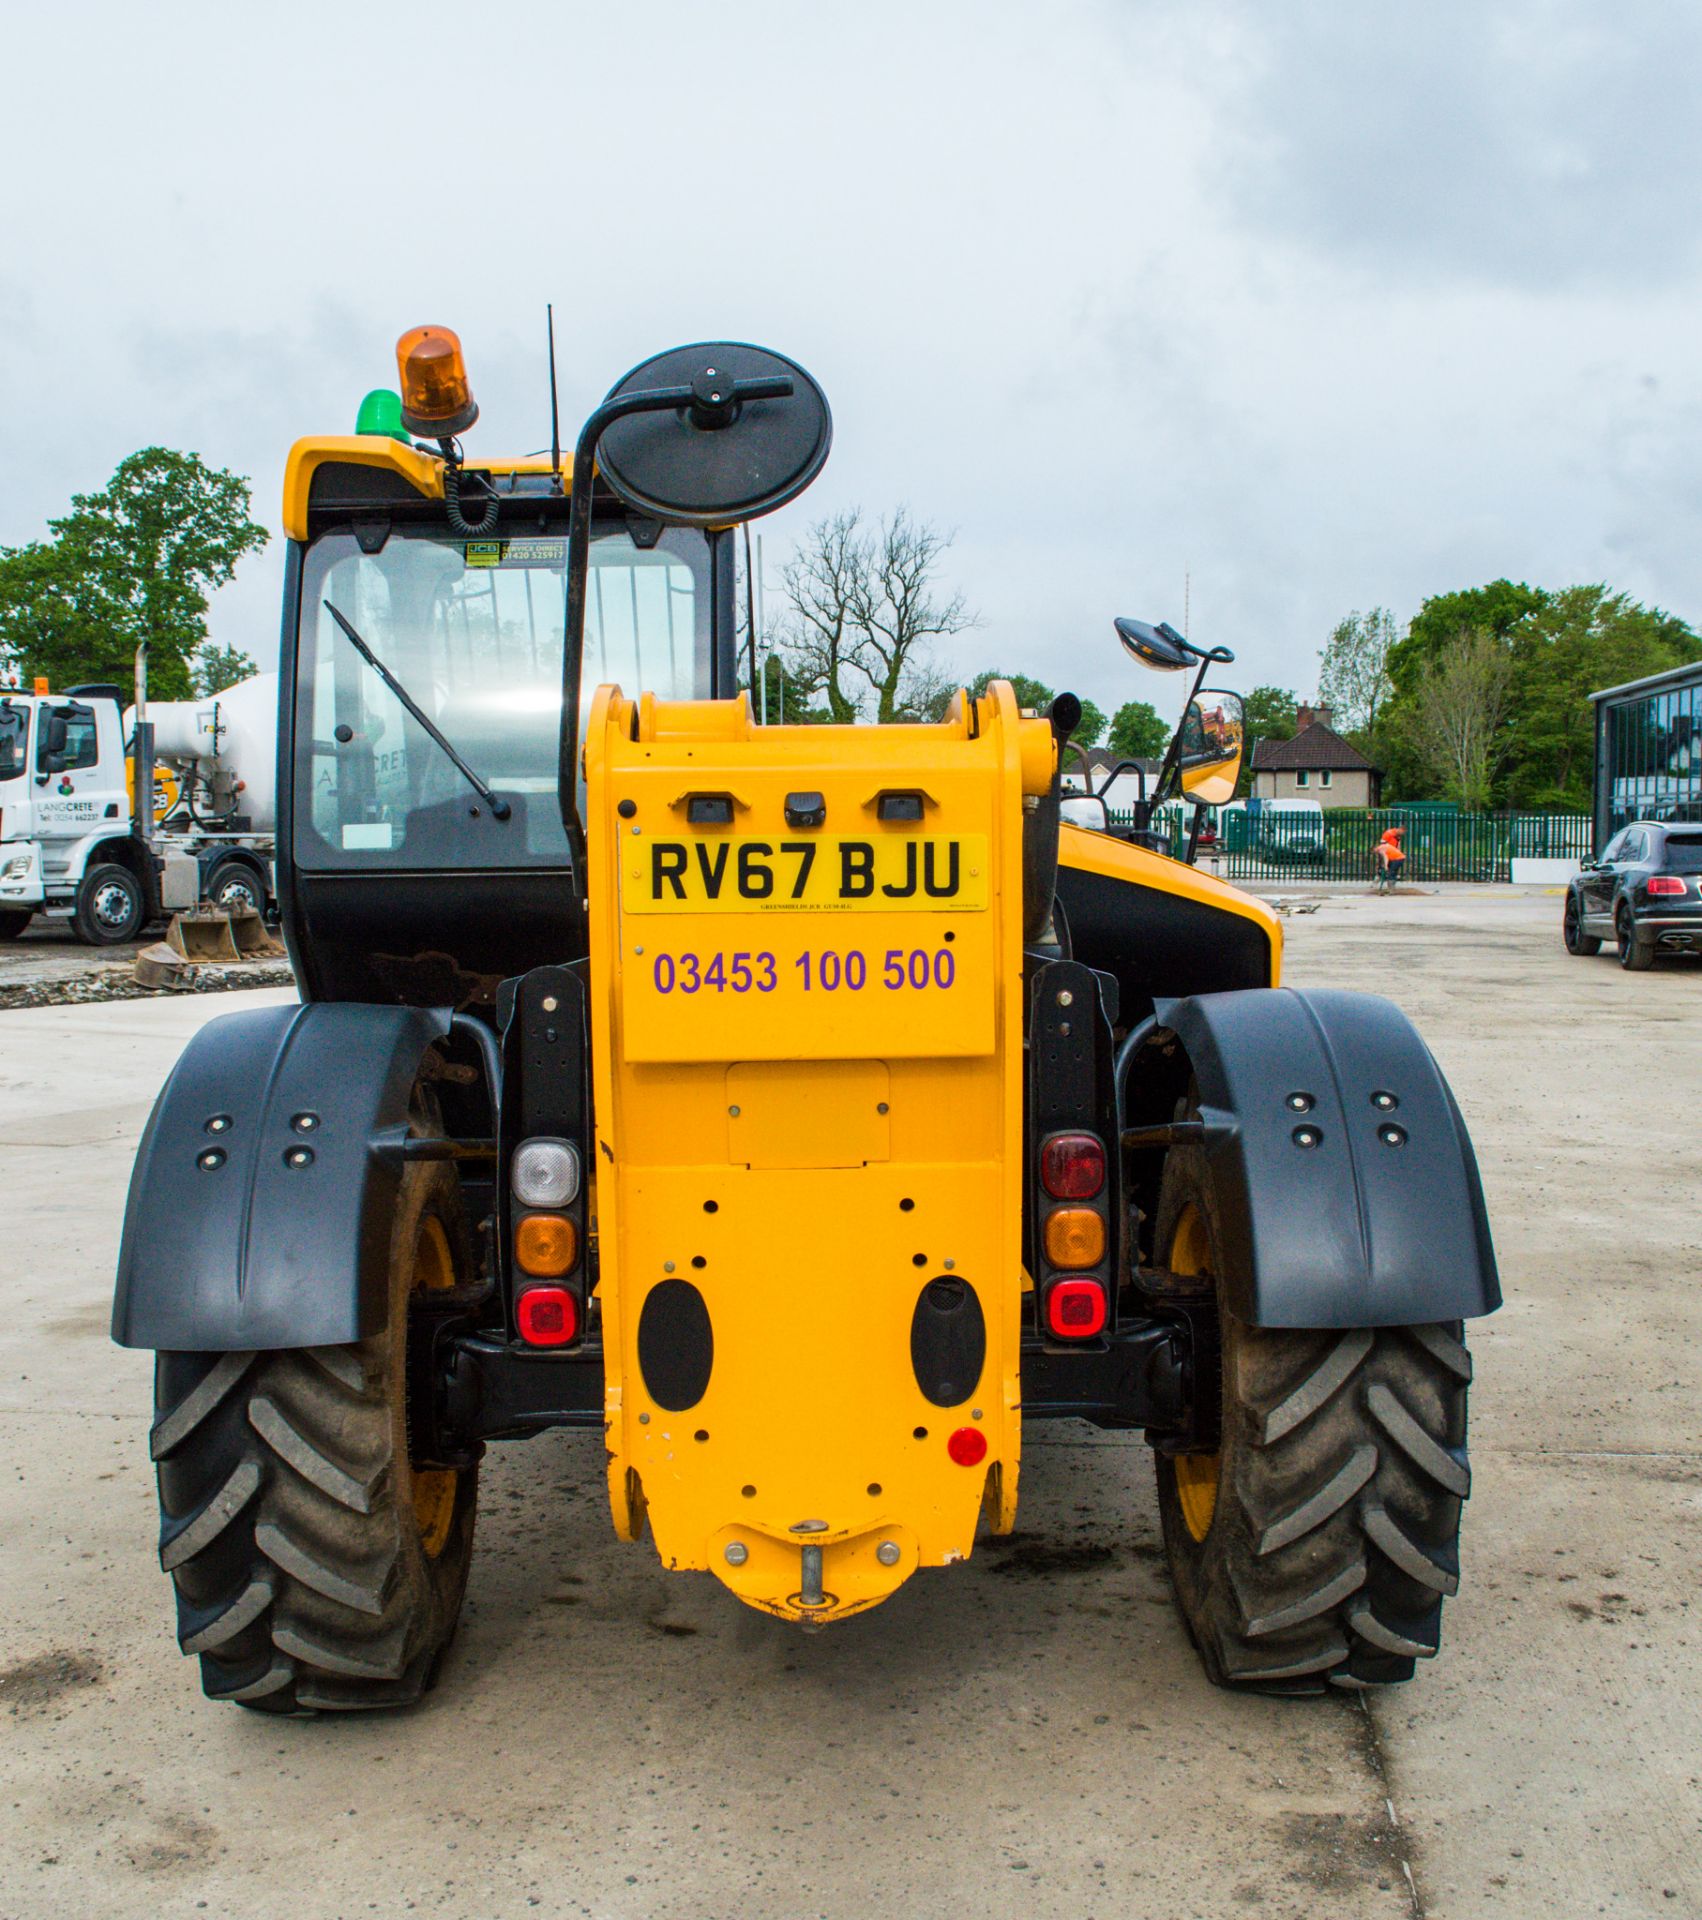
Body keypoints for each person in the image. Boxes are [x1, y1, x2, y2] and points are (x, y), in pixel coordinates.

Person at [1374, 825, 1406, 892]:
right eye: (1403, 832)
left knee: (1392, 871)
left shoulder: (1398, 835)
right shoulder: (1388, 833)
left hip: (1393, 855)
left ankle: (1391, 887)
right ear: (1400, 829)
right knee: (1383, 868)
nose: (1403, 834)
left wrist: (1397, 852)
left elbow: (1398, 844)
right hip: (1386, 852)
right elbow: (1382, 844)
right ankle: (1376, 882)